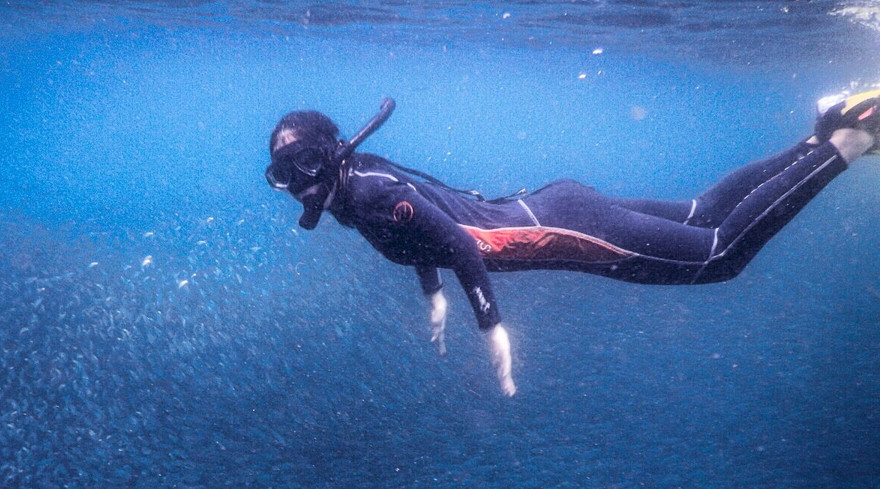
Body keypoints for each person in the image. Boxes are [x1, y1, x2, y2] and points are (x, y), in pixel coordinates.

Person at [266, 91, 880, 396]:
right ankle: (824, 129)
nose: (300, 185)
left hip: (563, 228)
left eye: (308, 163)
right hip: (557, 205)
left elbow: (455, 242)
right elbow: (420, 233)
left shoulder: (363, 192)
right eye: (284, 174)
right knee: (704, 212)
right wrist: (433, 298)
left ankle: (844, 145)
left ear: (336, 151)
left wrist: (491, 328)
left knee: (719, 253)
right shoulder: (352, 191)